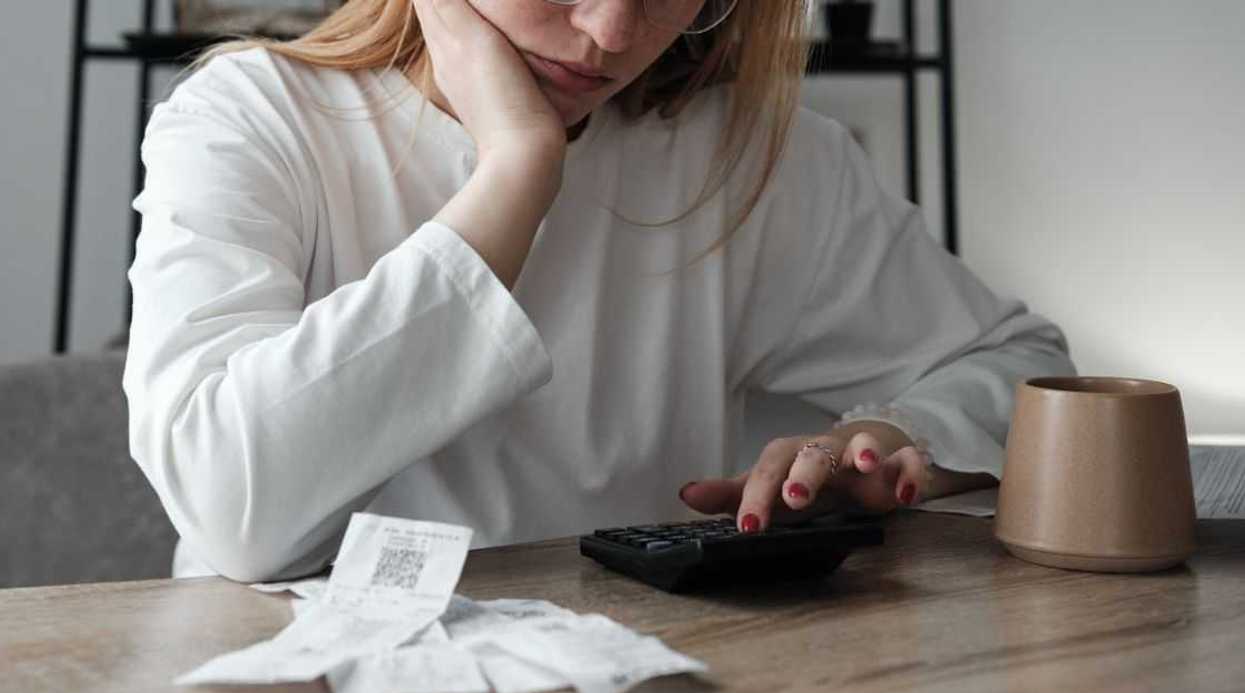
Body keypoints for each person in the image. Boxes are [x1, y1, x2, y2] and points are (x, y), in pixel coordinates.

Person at [123, 0, 1075, 583]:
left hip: (634, 663)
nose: (614, 33)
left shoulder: (755, 159)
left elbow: (1019, 366)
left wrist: (898, 439)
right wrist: (517, 172)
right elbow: (233, 511)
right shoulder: (250, 117)